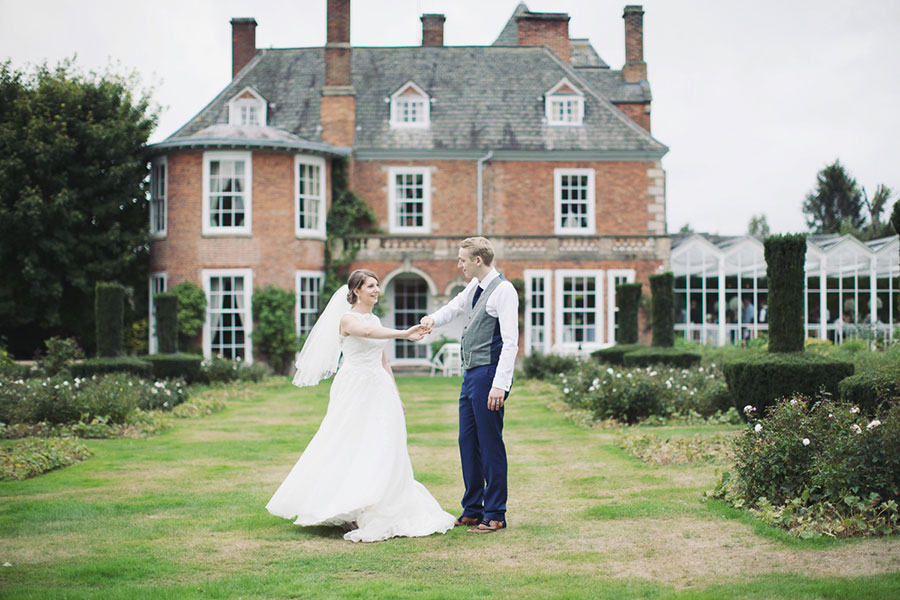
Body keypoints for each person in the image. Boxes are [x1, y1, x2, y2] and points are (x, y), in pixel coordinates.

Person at [266, 269, 455, 542]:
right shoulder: (347, 319)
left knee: (384, 442)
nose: (376, 290)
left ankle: (378, 500)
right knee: (349, 441)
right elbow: (366, 332)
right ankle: (347, 504)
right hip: (354, 387)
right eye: (370, 286)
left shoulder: (375, 319)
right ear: (356, 291)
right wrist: (404, 333)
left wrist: (396, 393)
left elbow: (383, 360)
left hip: (380, 387)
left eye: (377, 285)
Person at [420, 237, 518, 534]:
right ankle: (473, 508)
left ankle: (495, 514)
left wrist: (500, 385)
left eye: (462, 259)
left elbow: (511, 342)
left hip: (489, 375)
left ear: (478, 260)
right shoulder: (474, 287)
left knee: (490, 444)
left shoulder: (504, 290)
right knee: (467, 442)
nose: (458, 265)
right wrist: (431, 320)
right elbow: (453, 308)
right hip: (471, 374)